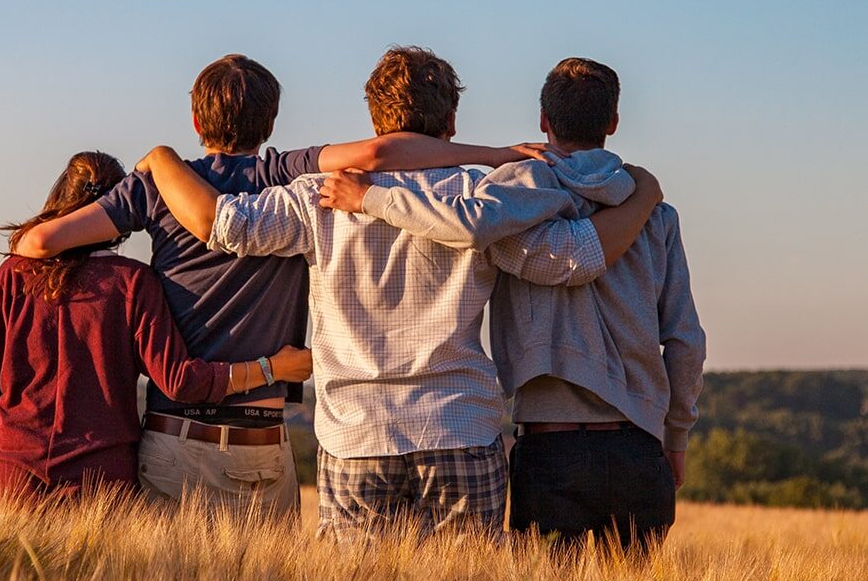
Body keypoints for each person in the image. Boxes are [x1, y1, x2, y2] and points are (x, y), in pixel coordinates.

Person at [137, 46, 664, 541]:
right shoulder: (482, 198)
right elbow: (571, 259)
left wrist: (162, 160)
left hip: (356, 435)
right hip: (459, 426)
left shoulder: (316, 197)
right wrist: (643, 197)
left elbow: (224, 225)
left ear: (374, 121)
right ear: (451, 124)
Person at [8, 54, 553, 519]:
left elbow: (37, 245)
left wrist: (154, 165)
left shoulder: (156, 187)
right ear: (270, 123)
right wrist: (496, 155)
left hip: (176, 436)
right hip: (262, 443)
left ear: (196, 121)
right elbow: (379, 154)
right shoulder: (285, 174)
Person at [319, 57, 706, 553]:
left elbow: (466, 224)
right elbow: (685, 340)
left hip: (550, 447)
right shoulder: (655, 214)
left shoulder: (511, 197)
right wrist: (675, 436)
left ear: (544, 120)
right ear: (612, 123)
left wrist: (372, 197)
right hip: (639, 445)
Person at [0, 150, 312, 506]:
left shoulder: (15, 274)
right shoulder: (133, 283)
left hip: (10, 481)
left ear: (60, 199)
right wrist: (272, 368)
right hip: (99, 489)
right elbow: (180, 381)